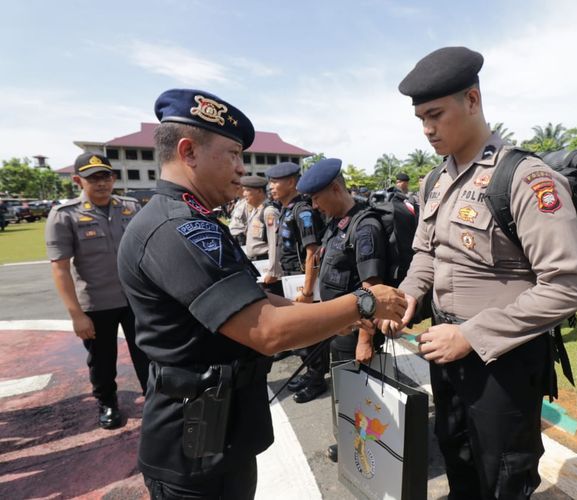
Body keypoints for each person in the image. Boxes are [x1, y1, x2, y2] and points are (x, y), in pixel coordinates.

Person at [116, 88, 406, 499]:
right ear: (188, 152)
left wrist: (342, 314)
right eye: (232, 154)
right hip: (193, 446)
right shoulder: (176, 229)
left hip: (219, 430)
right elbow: (267, 329)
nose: (241, 168)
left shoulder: (191, 220)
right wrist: (363, 302)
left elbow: (256, 301)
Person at [383, 46, 577, 499]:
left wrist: (472, 336)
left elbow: (567, 285)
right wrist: (407, 295)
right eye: (420, 118)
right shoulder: (434, 180)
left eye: (435, 114)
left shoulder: (524, 178)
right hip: (445, 346)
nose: (427, 129)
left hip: (503, 357)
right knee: (457, 454)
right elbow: (427, 252)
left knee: (503, 472)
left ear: (472, 100)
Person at [45, 152, 149, 429]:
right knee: (102, 360)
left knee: (147, 352)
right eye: (93, 178)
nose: (101, 183)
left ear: (113, 178)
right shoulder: (64, 215)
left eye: (105, 176)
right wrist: (76, 315)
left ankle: (154, 399)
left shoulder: (130, 206)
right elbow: (60, 269)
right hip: (96, 303)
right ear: (78, 180)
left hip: (135, 300)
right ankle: (108, 404)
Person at [297, 157, 388, 463]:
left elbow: (372, 288)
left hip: (355, 332)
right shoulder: (337, 223)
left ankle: (364, 448)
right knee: (342, 390)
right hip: (339, 326)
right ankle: (349, 439)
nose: (315, 205)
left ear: (335, 188)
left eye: (317, 198)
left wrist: (365, 338)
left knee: (359, 394)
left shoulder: (365, 227)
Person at [267, 161, 329, 403]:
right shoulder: (286, 209)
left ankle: (316, 380)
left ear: (291, 182)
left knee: (312, 333)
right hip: (292, 280)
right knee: (301, 334)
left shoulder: (302, 211)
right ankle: (309, 372)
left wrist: (308, 289)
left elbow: (312, 252)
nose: (271, 186)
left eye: (275, 181)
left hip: (303, 282)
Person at [238, 175, 274, 262]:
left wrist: (273, 269)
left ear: (259, 191)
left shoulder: (268, 212)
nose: (244, 194)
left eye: (247, 190)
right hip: (255, 260)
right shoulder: (255, 210)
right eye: (244, 190)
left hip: (265, 260)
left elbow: (274, 244)